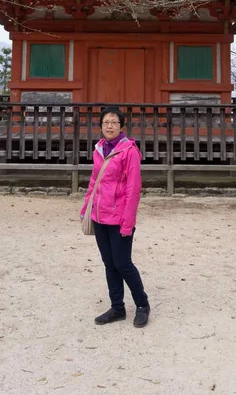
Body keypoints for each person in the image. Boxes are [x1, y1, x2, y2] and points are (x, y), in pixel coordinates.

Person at [80, 106, 150, 328]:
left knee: (123, 263)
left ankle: (142, 305)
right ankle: (117, 307)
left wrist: (128, 222)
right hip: (100, 216)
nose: (109, 126)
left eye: (114, 122)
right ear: (101, 126)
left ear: (121, 126)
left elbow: (133, 189)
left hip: (119, 217)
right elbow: (94, 180)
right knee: (109, 264)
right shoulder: (99, 148)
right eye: (106, 122)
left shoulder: (129, 151)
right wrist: (86, 208)